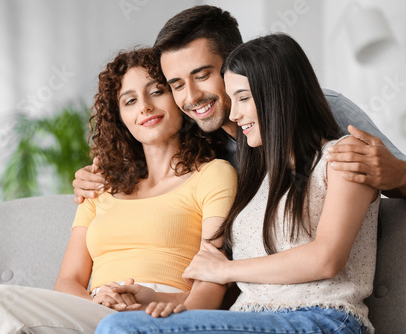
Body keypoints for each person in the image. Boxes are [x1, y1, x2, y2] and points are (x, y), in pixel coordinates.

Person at [95, 33, 380, 334]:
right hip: (257, 318)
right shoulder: (256, 178)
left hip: (322, 320)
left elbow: (327, 259)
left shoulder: (344, 156)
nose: (233, 114)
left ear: (278, 94)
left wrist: (224, 269)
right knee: (126, 323)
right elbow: (254, 291)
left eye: (243, 98)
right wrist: (161, 298)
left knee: (120, 329)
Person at [0, 48, 236, 334]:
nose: (145, 107)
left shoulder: (213, 174)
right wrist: (96, 300)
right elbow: (68, 281)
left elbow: (213, 275)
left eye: (157, 91)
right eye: (130, 101)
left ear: (178, 99)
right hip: (94, 309)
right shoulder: (101, 185)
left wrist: (176, 308)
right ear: (121, 119)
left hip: (160, 310)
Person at [73, 5, 406, 202]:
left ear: (235, 64)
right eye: (176, 85)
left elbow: (392, 171)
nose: (190, 98)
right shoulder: (196, 136)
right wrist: (92, 178)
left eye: (202, 75)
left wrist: (397, 174)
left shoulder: (321, 106)